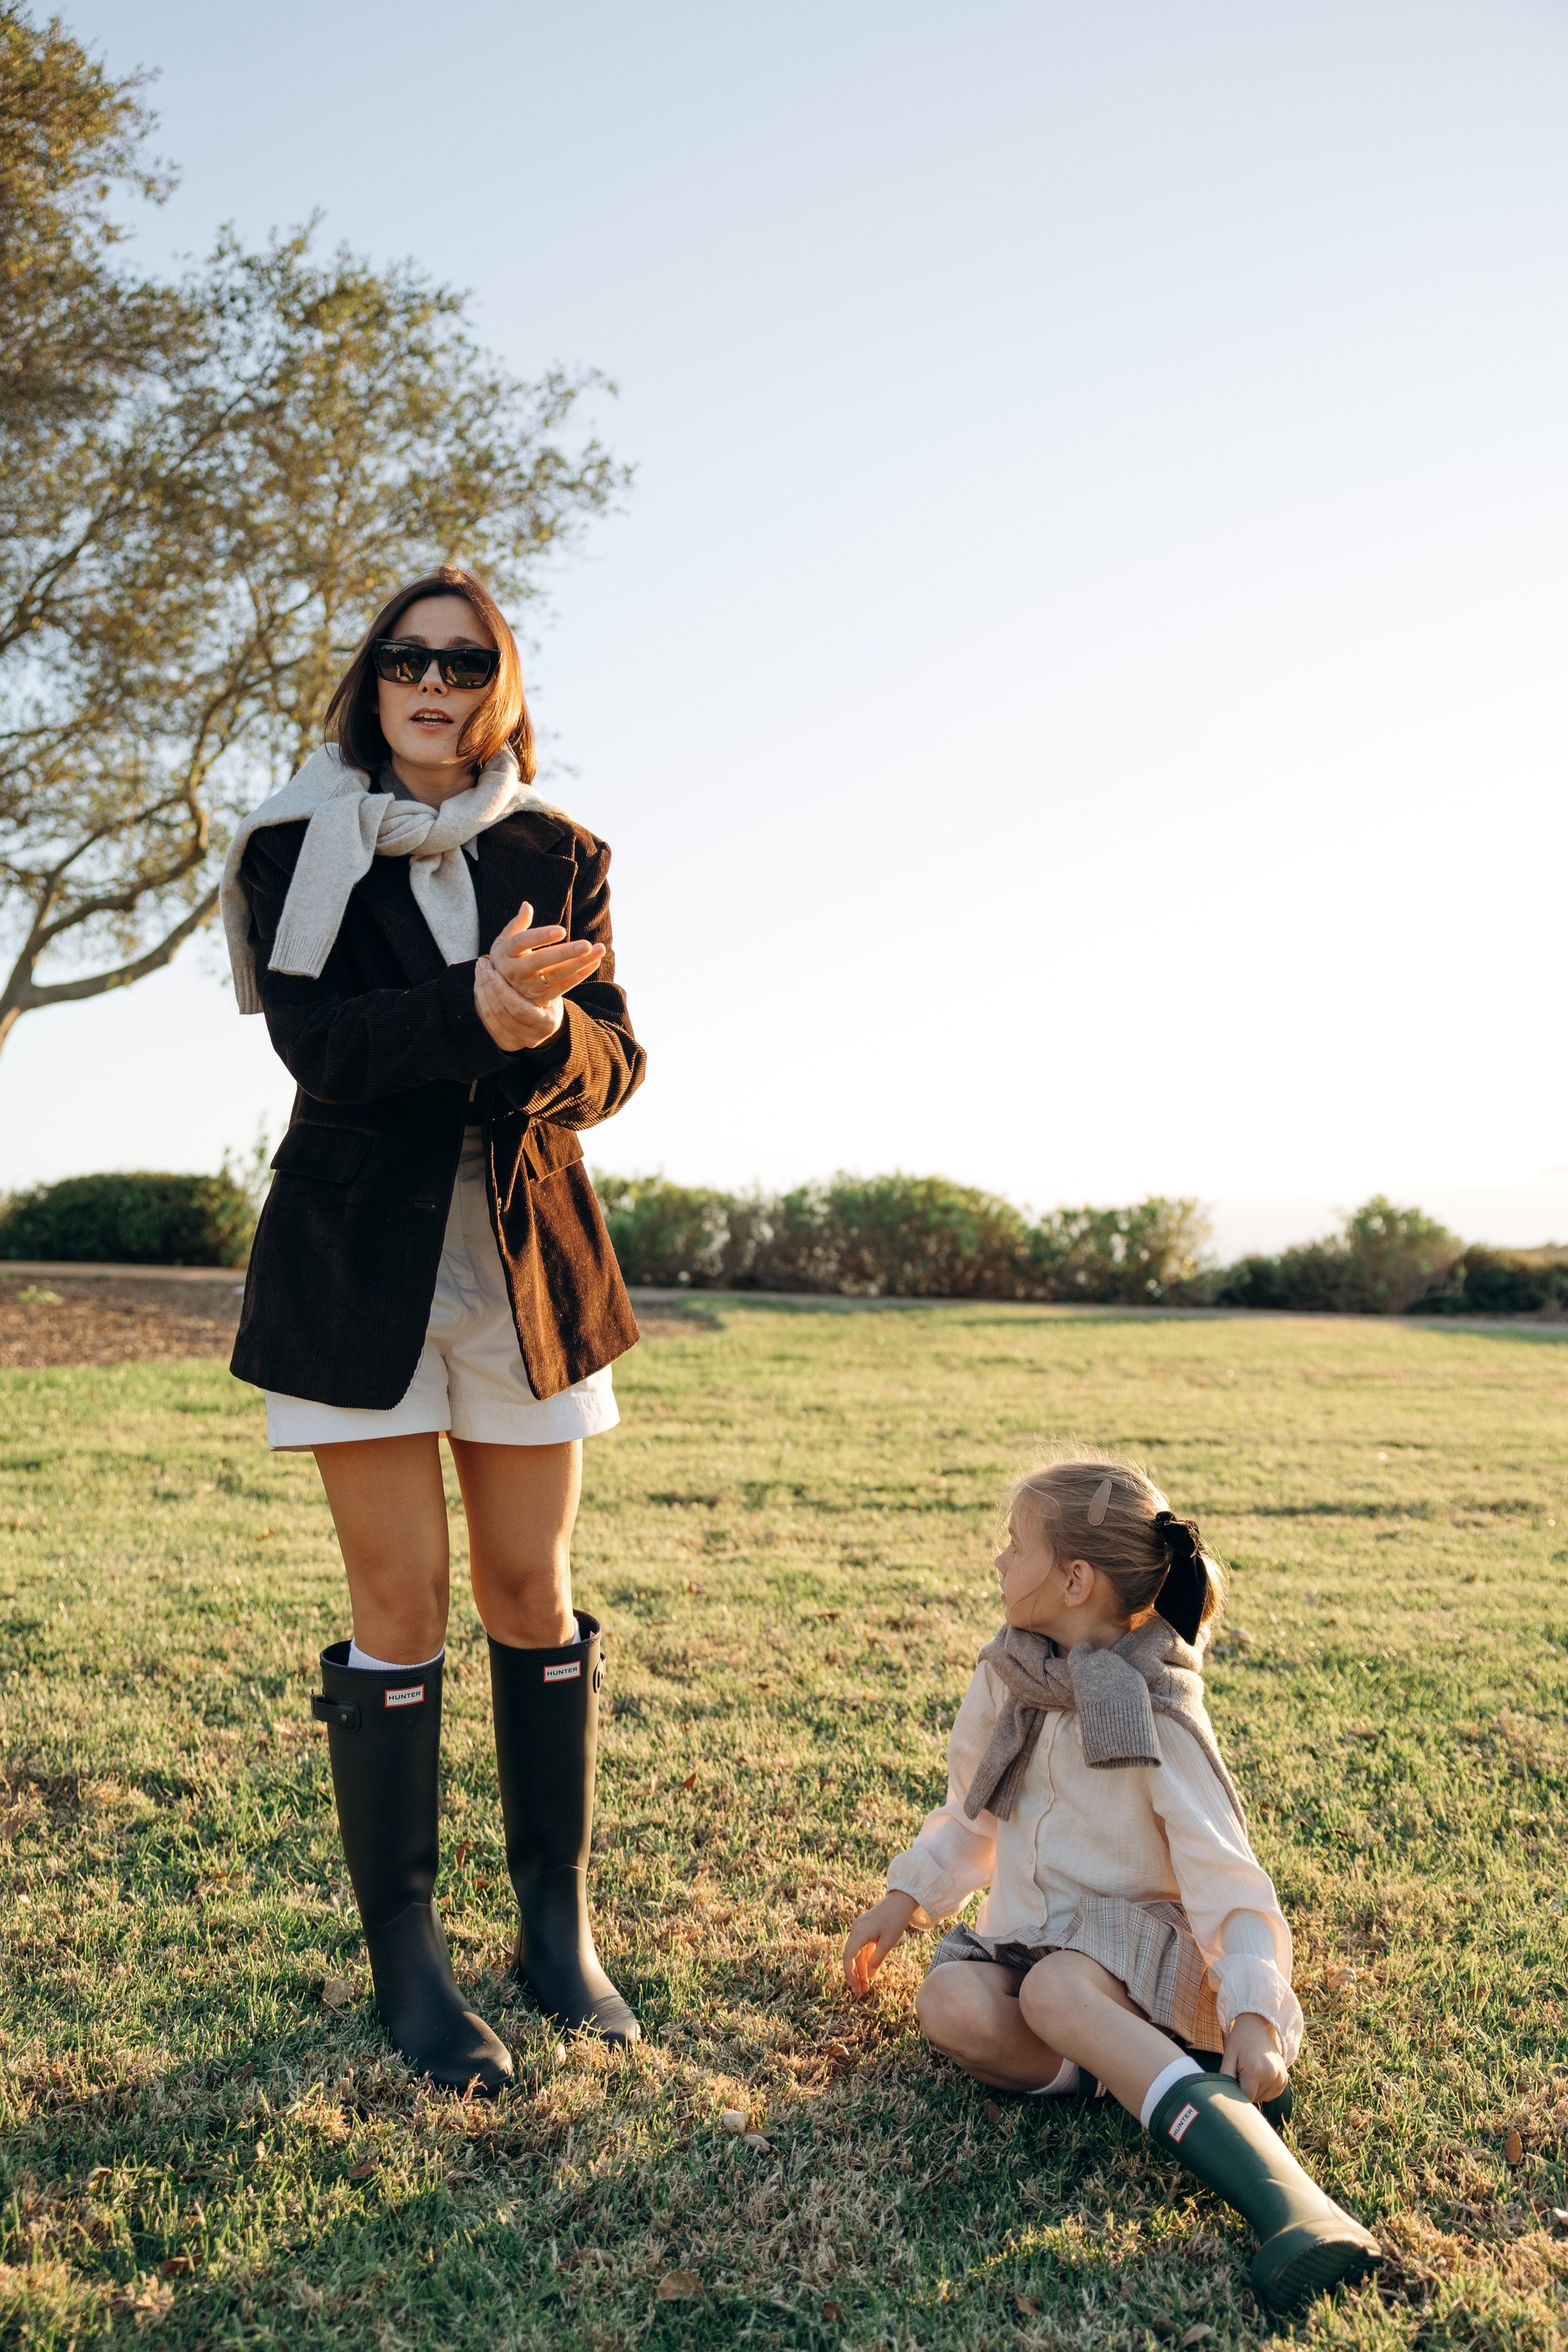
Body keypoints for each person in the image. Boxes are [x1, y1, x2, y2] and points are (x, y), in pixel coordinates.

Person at [220, 565, 644, 2096]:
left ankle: (553, 1931)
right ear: (372, 679)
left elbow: (617, 1065)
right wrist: (479, 1004)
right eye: (408, 658)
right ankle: (408, 1960)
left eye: (466, 663)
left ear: (500, 688)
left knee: (533, 1590)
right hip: (355, 1268)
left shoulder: (559, 853)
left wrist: (542, 1030)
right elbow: (320, 1048)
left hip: (528, 1266)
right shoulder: (292, 846)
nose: (434, 684)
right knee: (401, 1607)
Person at [841, 1455, 1381, 2314]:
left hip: (1137, 1960)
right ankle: (1122, 2072)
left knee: (1057, 1989)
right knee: (949, 2004)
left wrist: (1252, 2011)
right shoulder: (1008, 1677)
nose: (997, 1560)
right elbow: (974, 1813)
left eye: (1014, 1545)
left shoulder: (1154, 1704)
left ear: (1075, 1580)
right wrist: (903, 1898)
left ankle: (1293, 2206)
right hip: (1027, 1940)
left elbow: (1224, 1874)